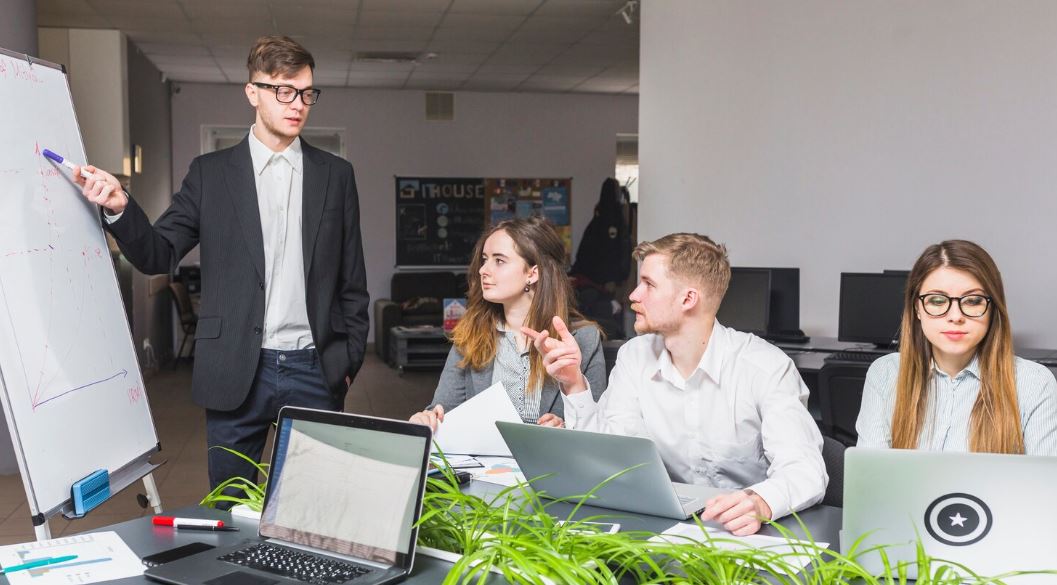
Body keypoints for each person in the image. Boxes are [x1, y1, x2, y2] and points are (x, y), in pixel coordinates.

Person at [74, 35, 369, 490]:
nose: (298, 104)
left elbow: (352, 281)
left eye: (307, 93)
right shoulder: (210, 174)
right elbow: (158, 253)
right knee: (229, 508)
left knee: (314, 508)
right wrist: (119, 207)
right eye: (284, 91)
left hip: (315, 369)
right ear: (253, 92)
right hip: (235, 369)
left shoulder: (336, 175)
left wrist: (346, 362)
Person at [525, 233, 826, 536]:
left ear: (688, 299)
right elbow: (613, 455)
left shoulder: (764, 367)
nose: (633, 295)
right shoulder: (634, 356)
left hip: (746, 534)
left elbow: (805, 469)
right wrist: (573, 382)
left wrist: (760, 502)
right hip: (662, 526)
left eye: (649, 284)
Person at [856, 240, 1057, 454]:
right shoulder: (885, 374)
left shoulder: (1034, 383)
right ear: (917, 308)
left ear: (992, 308)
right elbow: (871, 472)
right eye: (937, 300)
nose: (955, 316)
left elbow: (1042, 476)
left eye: (972, 301)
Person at [410, 217, 606, 431]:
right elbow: (443, 411)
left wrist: (564, 426)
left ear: (533, 273)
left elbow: (599, 427)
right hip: (485, 453)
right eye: (484, 259)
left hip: (550, 454)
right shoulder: (471, 334)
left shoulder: (584, 339)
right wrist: (428, 419)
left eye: (499, 261)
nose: (483, 270)